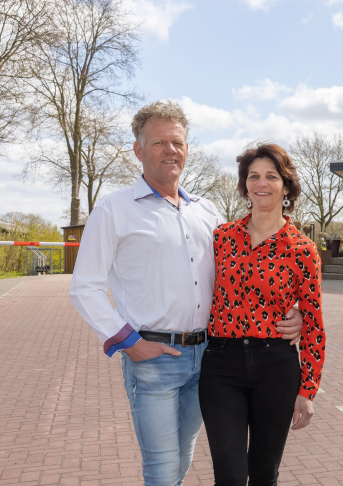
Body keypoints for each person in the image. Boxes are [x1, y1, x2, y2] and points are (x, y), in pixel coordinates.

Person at [69, 101, 302, 486]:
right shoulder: (114, 209)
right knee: (161, 470)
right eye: (159, 142)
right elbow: (85, 287)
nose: (170, 150)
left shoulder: (206, 212)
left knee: (181, 463)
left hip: (209, 360)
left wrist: (291, 311)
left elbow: (244, 273)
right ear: (138, 149)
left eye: (177, 142)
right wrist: (130, 343)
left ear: (188, 149)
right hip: (153, 359)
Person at [200, 141, 325, 486]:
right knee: (230, 474)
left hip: (276, 367)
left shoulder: (302, 249)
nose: (261, 183)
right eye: (254, 176)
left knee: (264, 473)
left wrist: (308, 390)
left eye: (271, 176)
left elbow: (313, 323)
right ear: (245, 185)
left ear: (285, 186)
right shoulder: (221, 238)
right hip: (220, 365)